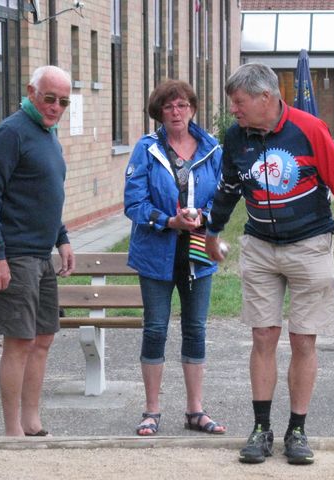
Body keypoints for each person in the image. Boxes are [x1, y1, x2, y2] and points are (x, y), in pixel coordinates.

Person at [204, 63, 334, 465]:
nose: (234, 110)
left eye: (239, 102)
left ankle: (297, 430)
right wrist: (212, 233)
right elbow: (228, 189)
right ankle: (261, 429)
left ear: (265, 97)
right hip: (260, 248)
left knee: (304, 339)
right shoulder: (236, 137)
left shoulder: (309, 129)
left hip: (309, 245)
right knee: (263, 337)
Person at [124, 80, 225, 437]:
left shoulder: (212, 149)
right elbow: (133, 203)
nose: (176, 112)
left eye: (182, 105)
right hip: (156, 253)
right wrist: (167, 220)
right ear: (159, 112)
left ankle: (195, 410)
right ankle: (152, 410)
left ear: (192, 109)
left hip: (198, 253)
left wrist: (205, 217)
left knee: (196, 329)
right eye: (169, 107)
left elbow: (225, 197)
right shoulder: (146, 149)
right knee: (155, 329)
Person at [0, 65, 75, 437]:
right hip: (15, 255)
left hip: (42, 255)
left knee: (42, 340)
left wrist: (63, 237)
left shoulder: (48, 134)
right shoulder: (10, 133)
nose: (55, 107)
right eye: (49, 98)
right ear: (31, 92)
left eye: (63, 102)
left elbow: (47, 194)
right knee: (19, 343)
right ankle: (11, 430)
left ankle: (31, 421)